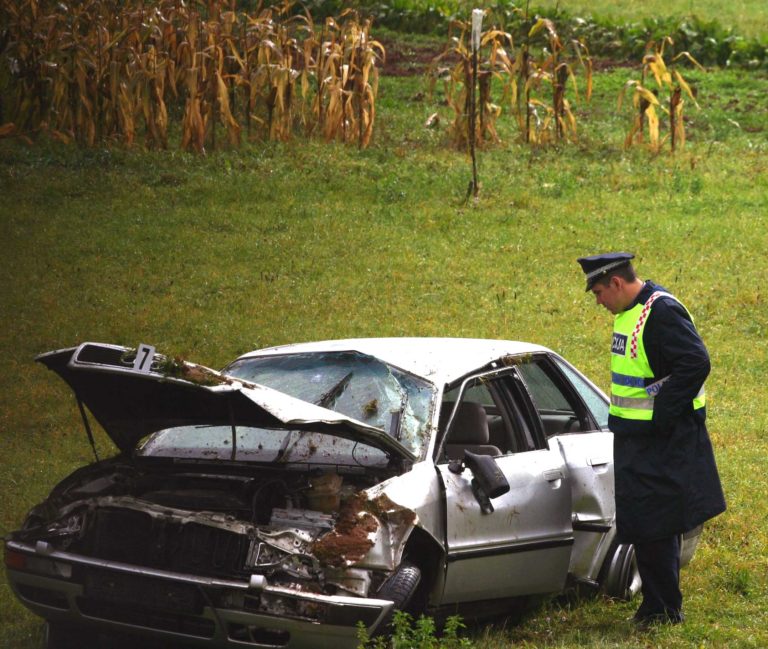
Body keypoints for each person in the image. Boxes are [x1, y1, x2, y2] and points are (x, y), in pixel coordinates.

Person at [576, 252, 726, 629]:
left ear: (616, 283)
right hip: (637, 438)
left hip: (660, 439)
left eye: (598, 292)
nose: (597, 301)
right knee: (646, 523)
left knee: (655, 524)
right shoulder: (631, 312)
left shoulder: (660, 313)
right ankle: (658, 604)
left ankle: (663, 610)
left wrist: (662, 417)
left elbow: (695, 362)